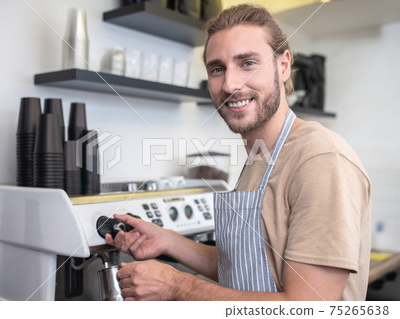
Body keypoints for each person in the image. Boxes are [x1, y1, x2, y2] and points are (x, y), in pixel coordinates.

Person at [105, 4, 371, 301]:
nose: (230, 84)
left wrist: (176, 286)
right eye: (217, 68)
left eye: (247, 63)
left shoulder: (320, 159)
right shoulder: (260, 157)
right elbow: (244, 270)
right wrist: (168, 241)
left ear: (283, 66)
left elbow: (308, 307)